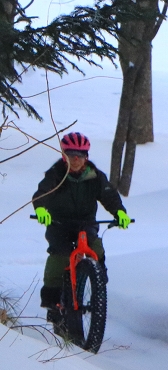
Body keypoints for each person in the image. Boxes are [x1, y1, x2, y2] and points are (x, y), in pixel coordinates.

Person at [31, 132, 130, 326]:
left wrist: (120, 213)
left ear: (87, 156)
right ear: (63, 155)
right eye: (71, 154)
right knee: (59, 255)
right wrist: (41, 209)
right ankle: (52, 301)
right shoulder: (56, 174)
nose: (76, 159)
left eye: (80, 155)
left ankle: (98, 282)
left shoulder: (95, 176)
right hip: (59, 223)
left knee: (95, 247)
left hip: (85, 223)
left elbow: (109, 196)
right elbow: (42, 193)